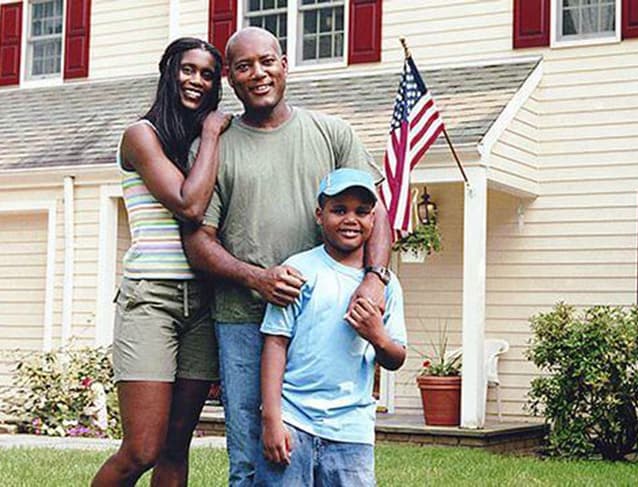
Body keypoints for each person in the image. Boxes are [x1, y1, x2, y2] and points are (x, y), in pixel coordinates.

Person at [181, 27, 393, 486]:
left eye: (267, 61)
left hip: (325, 320)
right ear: (231, 81)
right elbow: (198, 243)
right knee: (253, 460)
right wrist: (257, 279)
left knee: (324, 460)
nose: (257, 73)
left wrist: (375, 278)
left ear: (284, 65)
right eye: (243, 67)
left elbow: (378, 213)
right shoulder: (214, 147)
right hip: (243, 320)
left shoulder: (333, 134)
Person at [92, 37, 229, 487]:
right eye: (188, 69)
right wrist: (211, 133)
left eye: (208, 74)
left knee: (176, 445)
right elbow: (189, 205)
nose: (197, 81)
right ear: (168, 71)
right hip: (151, 298)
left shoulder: (201, 147)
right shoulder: (141, 136)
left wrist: (206, 139)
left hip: (203, 303)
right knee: (142, 449)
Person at [257, 168, 407, 486]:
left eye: (362, 211)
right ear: (319, 215)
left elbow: (396, 356)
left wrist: (377, 335)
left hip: (352, 429)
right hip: (293, 421)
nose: (350, 219)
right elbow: (275, 343)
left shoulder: (386, 287)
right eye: (339, 210)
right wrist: (271, 417)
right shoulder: (298, 270)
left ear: (373, 219)